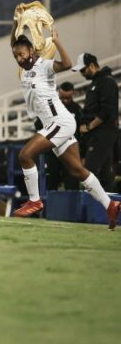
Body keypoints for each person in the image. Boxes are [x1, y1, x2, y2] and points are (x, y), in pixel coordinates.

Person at [10, 29, 120, 228]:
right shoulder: (26, 70)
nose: (19, 58)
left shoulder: (43, 65)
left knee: (25, 155)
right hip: (56, 124)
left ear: (32, 51)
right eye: (16, 55)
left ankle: (34, 200)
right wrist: (16, 25)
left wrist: (57, 42)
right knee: (77, 170)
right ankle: (110, 204)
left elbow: (68, 65)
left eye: (22, 54)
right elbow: (15, 43)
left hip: (59, 122)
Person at [73, 52, 119, 193]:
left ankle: (90, 209)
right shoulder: (96, 83)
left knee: (89, 172)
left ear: (92, 66)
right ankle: (107, 210)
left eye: (83, 69)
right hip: (97, 134)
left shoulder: (106, 82)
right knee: (105, 175)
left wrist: (89, 126)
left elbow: (107, 111)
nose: (81, 73)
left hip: (104, 133)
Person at [43, 82, 82, 190]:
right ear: (58, 93)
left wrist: (82, 154)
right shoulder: (51, 107)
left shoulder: (77, 109)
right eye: (62, 98)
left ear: (73, 93)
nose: (65, 101)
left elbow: (81, 134)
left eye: (68, 98)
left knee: (72, 181)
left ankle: (73, 206)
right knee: (52, 180)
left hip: (70, 150)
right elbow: (39, 124)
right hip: (53, 150)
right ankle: (51, 205)